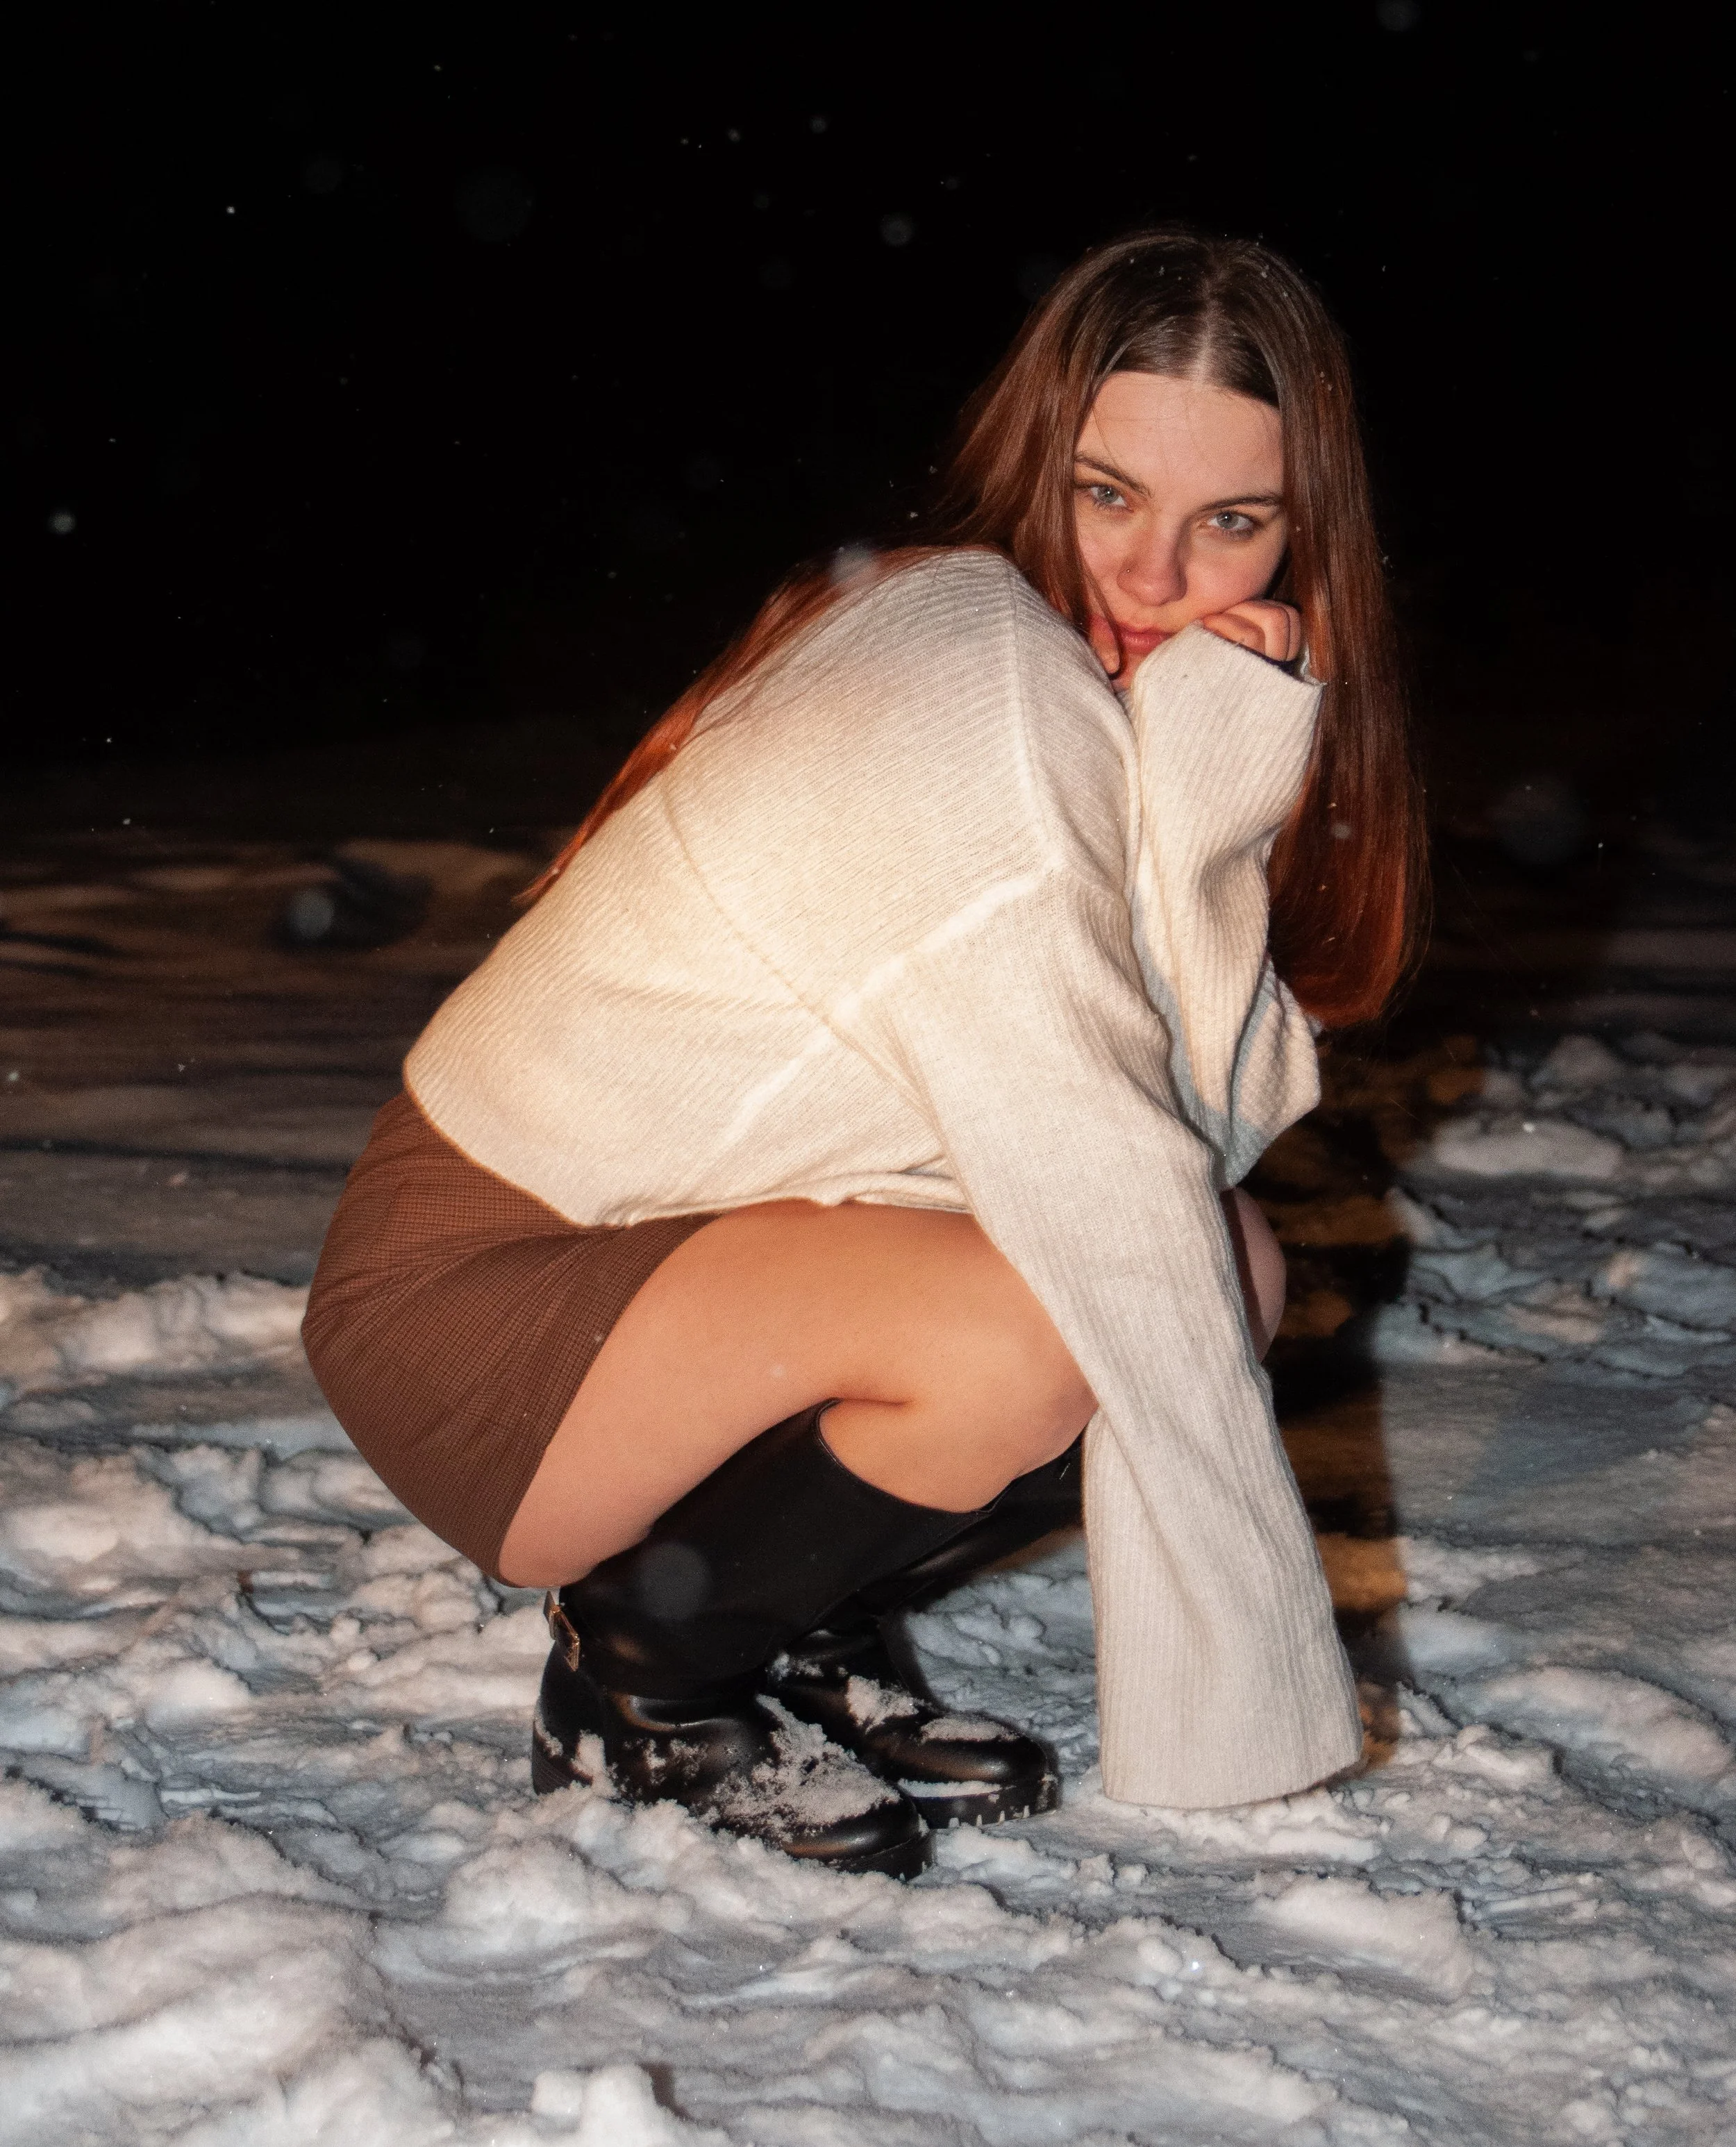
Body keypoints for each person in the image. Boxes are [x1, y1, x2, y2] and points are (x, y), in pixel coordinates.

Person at [303, 227, 1424, 1878]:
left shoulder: (1077, 676)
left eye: (1230, 523)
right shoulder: (973, 679)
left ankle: (779, 1601)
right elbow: (1100, 1174)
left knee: (1220, 1265)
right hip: (482, 1296)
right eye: (1106, 494)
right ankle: (644, 1673)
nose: (1153, 575)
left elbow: (1203, 1118)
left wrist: (1205, 770)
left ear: (1302, 528)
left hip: (672, 1262)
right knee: (1064, 1313)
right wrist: (1246, 1674)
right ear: (1034, 459)